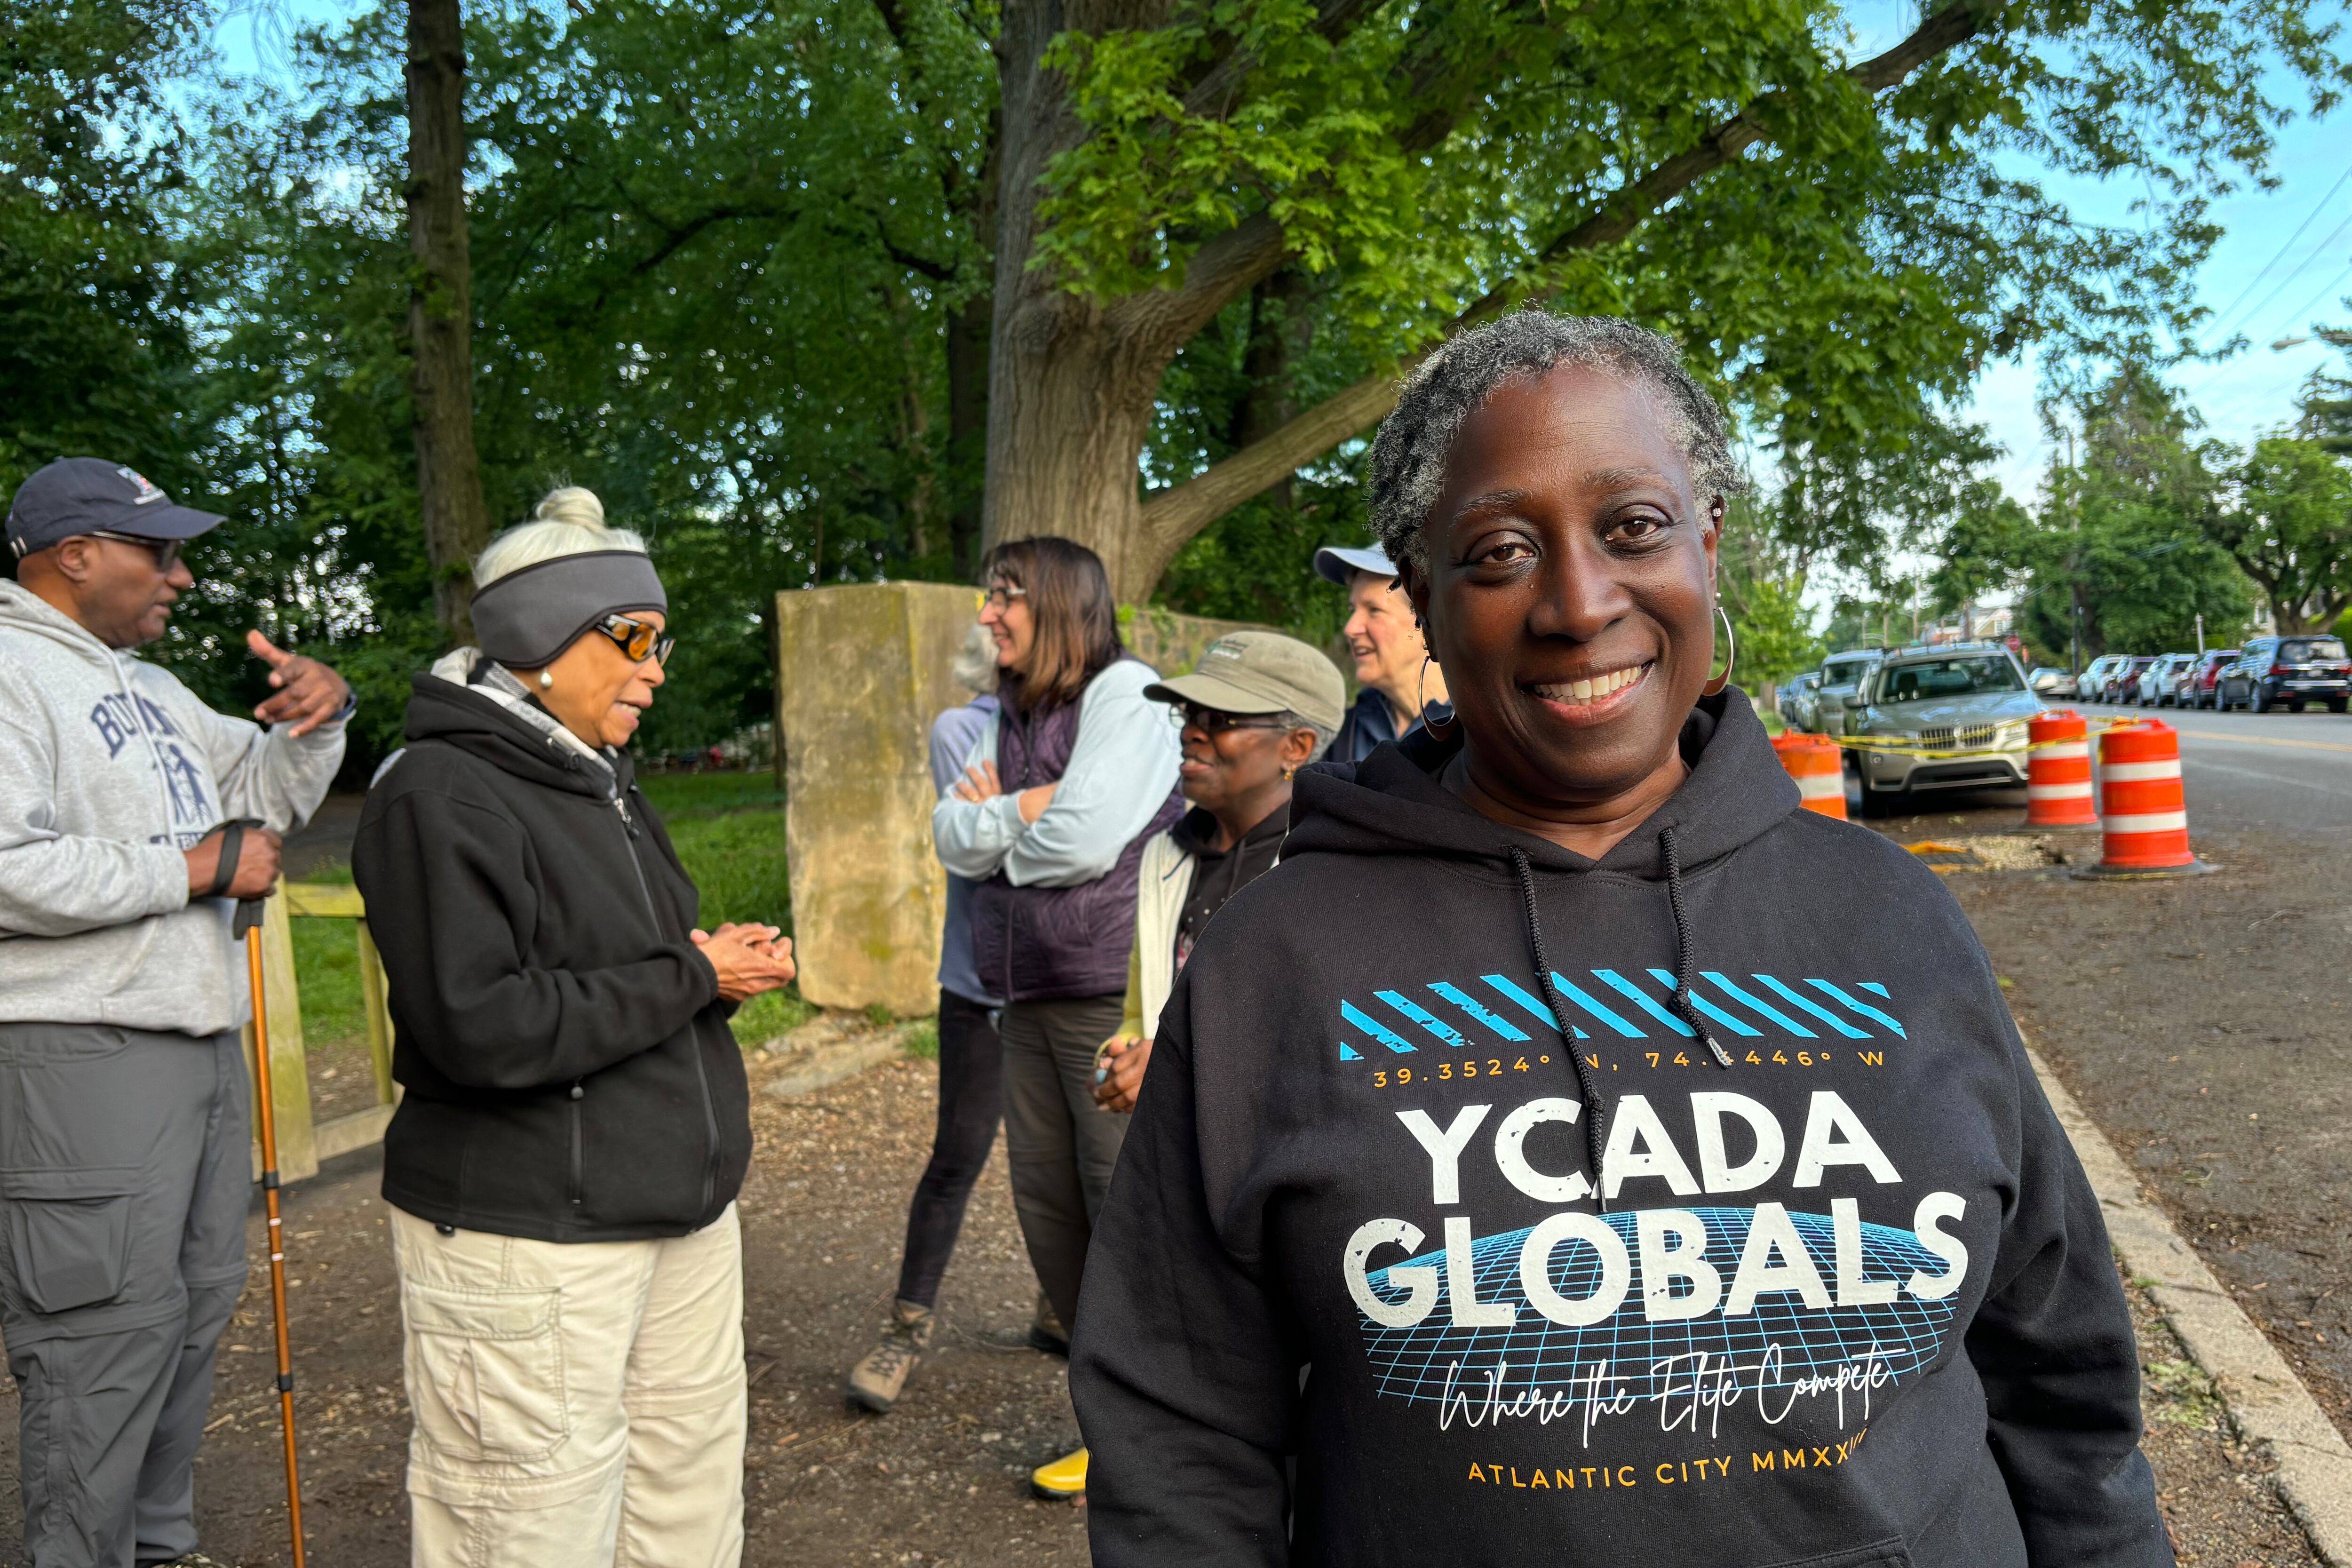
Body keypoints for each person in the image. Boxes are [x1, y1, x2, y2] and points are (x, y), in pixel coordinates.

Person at [1072, 313, 2171, 1566]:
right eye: (1498, 551)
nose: (1581, 602)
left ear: (1706, 543)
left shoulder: (1891, 915)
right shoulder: (1279, 963)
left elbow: (2062, 1377)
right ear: (1422, 596)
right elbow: (1178, 1429)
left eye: (1634, 528)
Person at [353, 487, 795, 1568]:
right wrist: (687, 974)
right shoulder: (439, 793)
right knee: (528, 1523)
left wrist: (706, 979)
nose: (657, 667)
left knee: (682, 1505)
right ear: (542, 640)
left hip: (673, 1219)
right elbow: (480, 1026)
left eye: (663, 640)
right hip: (534, 1232)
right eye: (633, 638)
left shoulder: (600, 783)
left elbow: (620, 974)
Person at [0, 457, 353, 1568]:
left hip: (197, 1046)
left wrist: (318, 718)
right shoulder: (10, 671)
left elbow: (265, 796)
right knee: (100, 1336)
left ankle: (159, 1546)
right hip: (75, 1053)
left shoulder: (148, 689)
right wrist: (192, 869)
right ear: (75, 556)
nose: (182, 577)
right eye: (159, 552)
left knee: (192, 1312)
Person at [931, 537, 1183, 1501]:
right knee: (1048, 1209)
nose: (987, 616)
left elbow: (1081, 843)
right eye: (986, 598)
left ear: (1061, 605)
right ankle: (1109, 1427)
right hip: (1017, 991)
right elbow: (951, 838)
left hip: (1101, 987)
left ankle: (1175, 1431)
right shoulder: (1006, 710)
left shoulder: (1125, 693)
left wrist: (1013, 821)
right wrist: (1024, 813)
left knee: (1121, 1202)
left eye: (1005, 599)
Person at [847, 623, 1037, 1414]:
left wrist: (1014, 807)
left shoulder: (1091, 725)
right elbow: (982, 852)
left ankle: (1066, 1308)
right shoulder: (963, 727)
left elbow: (1107, 838)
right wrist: (1053, 807)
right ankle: (905, 1326)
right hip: (982, 985)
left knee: (1075, 1165)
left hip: (1075, 984)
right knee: (957, 1155)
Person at [1090, 630, 1343, 1115]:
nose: (1191, 731)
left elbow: (1329, 1044)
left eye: (1220, 719)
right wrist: (1120, 1060)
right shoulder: (1165, 856)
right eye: (1189, 715)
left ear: (1296, 746)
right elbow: (1139, 1011)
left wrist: (1171, 1069)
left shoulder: (1330, 872)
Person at [1314, 541, 1450, 763]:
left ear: (1429, 620)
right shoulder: (1343, 734)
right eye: (1352, 610)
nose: (1350, 629)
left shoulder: (1479, 731)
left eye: (1374, 610)